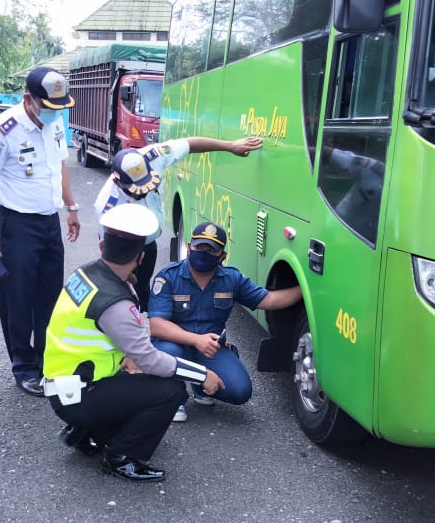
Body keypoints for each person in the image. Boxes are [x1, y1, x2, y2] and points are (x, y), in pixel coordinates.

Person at [42, 203, 224, 481]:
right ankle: (119, 457)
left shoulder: (87, 273)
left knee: (136, 379)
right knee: (170, 390)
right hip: (79, 394)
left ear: (103, 245)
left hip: (67, 384)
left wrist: (129, 358)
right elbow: (150, 359)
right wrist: (203, 374)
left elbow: (113, 333)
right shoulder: (114, 300)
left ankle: (84, 433)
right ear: (140, 256)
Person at [0, 67, 81, 397]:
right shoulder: (3, 130)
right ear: (28, 99)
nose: (55, 113)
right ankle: (23, 366)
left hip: (49, 222)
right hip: (16, 224)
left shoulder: (54, 122)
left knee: (50, 296)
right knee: (17, 297)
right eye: (48, 107)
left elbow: (59, 165)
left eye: (59, 108)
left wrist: (71, 207)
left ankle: (45, 359)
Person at [149, 221, 303, 422]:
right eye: (199, 246)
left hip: (211, 349)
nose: (203, 252)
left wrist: (307, 291)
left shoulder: (232, 279)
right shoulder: (168, 277)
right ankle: (173, 396)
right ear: (189, 246)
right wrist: (196, 340)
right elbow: (157, 325)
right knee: (168, 352)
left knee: (240, 391)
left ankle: (199, 385)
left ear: (222, 256)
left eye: (211, 249)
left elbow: (269, 299)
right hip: (174, 345)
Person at [93, 136, 262, 308]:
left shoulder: (153, 156)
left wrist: (230, 145)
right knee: (122, 295)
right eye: (138, 192)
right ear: (118, 182)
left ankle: (143, 309)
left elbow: (190, 144)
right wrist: (126, 276)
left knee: (143, 290)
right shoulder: (107, 208)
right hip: (127, 246)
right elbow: (109, 256)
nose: (145, 192)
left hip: (149, 241)